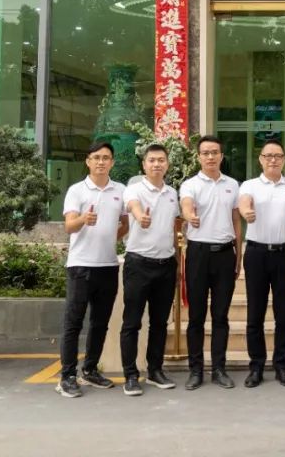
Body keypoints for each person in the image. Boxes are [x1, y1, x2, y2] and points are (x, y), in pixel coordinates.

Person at [55, 141, 128, 398]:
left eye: (106, 158)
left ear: (112, 162)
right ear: (88, 161)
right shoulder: (77, 190)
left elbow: (126, 222)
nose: (101, 162)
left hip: (108, 265)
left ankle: (90, 370)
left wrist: (111, 238)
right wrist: (83, 219)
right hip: (80, 266)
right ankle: (67, 376)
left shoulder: (120, 190)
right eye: (96, 157)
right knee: (73, 323)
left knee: (100, 323)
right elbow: (69, 226)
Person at [237, 139, 285, 388]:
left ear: (284, 159)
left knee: (283, 313)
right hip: (256, 253)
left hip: (284, 253)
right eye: (268, 156)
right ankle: (256, 366)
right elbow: (244, 202)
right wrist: (246, 212)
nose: (273, 160)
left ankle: (281, 365)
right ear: (260, 159)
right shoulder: (250, 185)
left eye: (277, 156)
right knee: (255, 313)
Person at [178, 135, 242, 391]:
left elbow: (237, 221)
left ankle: (219, 369)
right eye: (205, 153)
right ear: (199, 157)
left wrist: (239, 254)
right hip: (198, 254)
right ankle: (195, 370)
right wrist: (189, 216)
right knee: (196, 316)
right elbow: (186, 205)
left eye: (215, 152)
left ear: (221, 156)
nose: (210, 157)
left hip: (225, 254)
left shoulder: (233, 185)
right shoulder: (190, 185)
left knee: (221, 315)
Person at [120, 144, 181, 396]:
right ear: (144, 165)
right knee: (132, 322)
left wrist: (177, 263)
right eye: (152, 160)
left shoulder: (172, 193)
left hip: (166, 265)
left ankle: (155, 370)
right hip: (139, 264)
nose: (157, 164)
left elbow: (174, 228)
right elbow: (133, 206)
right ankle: (130, 375)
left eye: (161, 160)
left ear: (167, 164)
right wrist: (140, 216)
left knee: (159, 323)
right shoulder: (133, 189)